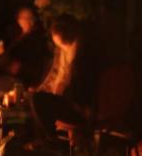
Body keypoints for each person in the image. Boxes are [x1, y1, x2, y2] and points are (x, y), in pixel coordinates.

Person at [28, 13, 101, 141]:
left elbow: (80, 93)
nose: (61, 49)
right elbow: (56, 75)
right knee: (35, 99)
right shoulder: (67, 53)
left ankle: (53, 142)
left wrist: (60, 94)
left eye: (62, 45)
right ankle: (48, 140)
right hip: (73, 103)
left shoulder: (82, 59)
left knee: (37, 101)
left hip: (81, 110)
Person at [0, 5, 49, 91]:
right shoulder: (14, 35)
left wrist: (19, 68)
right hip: (4, 73)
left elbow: (35, 67)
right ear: (19, 20)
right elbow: (2, 58)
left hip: (19, 81)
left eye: (31, 18)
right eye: (24, 18)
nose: (28, 21)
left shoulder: (37, 39)